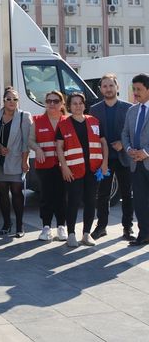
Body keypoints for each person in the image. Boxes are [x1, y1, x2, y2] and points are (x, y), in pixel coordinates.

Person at [56, 93, 108, 248]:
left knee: (91, 201)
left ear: (85, 105)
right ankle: (71, 234)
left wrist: (104, 163)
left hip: (93, 170)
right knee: (72, 201)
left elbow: (103, 143)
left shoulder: (94, 122)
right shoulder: (64, 124)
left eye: (80, 103)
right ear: (69, 106)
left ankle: (86, 234)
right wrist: (64, 167)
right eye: (74, 103)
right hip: (73, 170)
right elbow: (59, 147)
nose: (77, 106)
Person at [89, 74, 135, 241]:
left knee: (127, 194)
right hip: (104, 159)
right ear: (100, 89)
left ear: (117, 87)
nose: (108, 89)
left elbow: (132, 132)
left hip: (124, 157)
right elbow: (93, 135)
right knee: (102, 194)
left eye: (111, 85)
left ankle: (128, 228)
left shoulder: (129, 108)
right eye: (105, 86)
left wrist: (123, 144)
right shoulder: (94, 110)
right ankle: (101, 227)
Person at [28, 91, 69, 241]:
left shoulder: (67, 121)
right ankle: (46, 227)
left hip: (63, 166)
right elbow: (30, 140)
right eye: (49, 101)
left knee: (61, 196)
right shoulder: (37, 120)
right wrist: (37, 149)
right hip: (44, 166)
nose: (52, 104)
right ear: (45, 103)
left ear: (62, 103)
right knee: (46, 196)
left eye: (56, 101)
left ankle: (61, 226)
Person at [0, 88, 32, 238]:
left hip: (16, 161)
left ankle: (20, 226)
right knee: (2, 194)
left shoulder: (23, 116)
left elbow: (26, 142)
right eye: (9, 99)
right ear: (3, 100)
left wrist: (25, 161)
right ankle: (6, 224)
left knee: (16, 193)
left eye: (15, 99)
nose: (12, 102)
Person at [122, 73, 149, 246]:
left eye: (139, 89)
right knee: (139, 202)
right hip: (136, 164)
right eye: (134, 89)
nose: (135, 92)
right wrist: (129, 149)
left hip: (147, 158)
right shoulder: (132, 110)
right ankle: (144, 234)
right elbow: (125, 133)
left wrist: (147, 152)